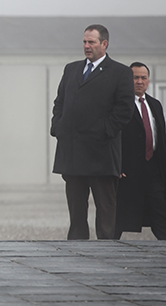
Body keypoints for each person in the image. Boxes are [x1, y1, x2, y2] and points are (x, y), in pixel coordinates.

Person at [51, 24, 134, 240]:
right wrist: (58, 127)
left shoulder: (120, 72)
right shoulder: (71, 69)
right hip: (72, 153)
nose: (87, 46)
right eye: (85, 42)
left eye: (91, 42)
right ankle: (77, 252)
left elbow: (125, 109)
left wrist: (103, 131)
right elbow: (60, 102)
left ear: (104, 44)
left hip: (102, 155)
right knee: (76, 213)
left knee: (105, 212)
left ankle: (106, 253)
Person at [115, 62, 166, 240]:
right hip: (128, 171)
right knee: (119, 218)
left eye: (143, 78)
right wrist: (116, 165)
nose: (139, 81)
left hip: (153, 170)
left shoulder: (155, 105)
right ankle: (107, 251)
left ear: (149, 81)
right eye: (135, 77)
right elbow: (113, 136)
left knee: (160, 213)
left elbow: (161, 137)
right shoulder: (119, 105)